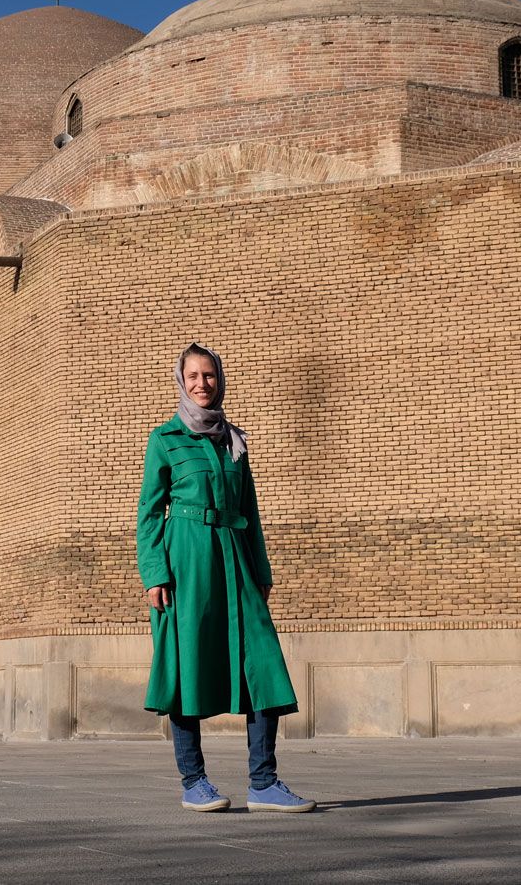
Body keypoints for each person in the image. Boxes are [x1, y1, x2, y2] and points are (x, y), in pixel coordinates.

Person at [136, 342, 314, 813]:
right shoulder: (166, 439)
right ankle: (194, 781)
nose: (202, 384)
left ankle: (264, 783)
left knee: (264, 663)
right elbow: (150, 513)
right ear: (181, 380)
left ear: (220, 380)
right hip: (187, 561)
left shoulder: (234, 441)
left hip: (235, 558)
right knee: (185, 664)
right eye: (193, 375)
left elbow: (250, 512)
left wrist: (261, 571)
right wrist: (154, 574)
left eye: (209, 375)